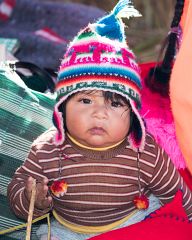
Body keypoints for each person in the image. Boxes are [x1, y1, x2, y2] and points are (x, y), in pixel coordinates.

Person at [7, 0, 192, 239]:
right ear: (62, 107)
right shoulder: (47, 150)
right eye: (85, 101)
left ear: (134, 115)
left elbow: (176, 193)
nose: (99, 112)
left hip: (134, 221)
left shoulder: (144, 151)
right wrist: (33, 199)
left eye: (115, 103)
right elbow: (18, 193)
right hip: (67, 231)